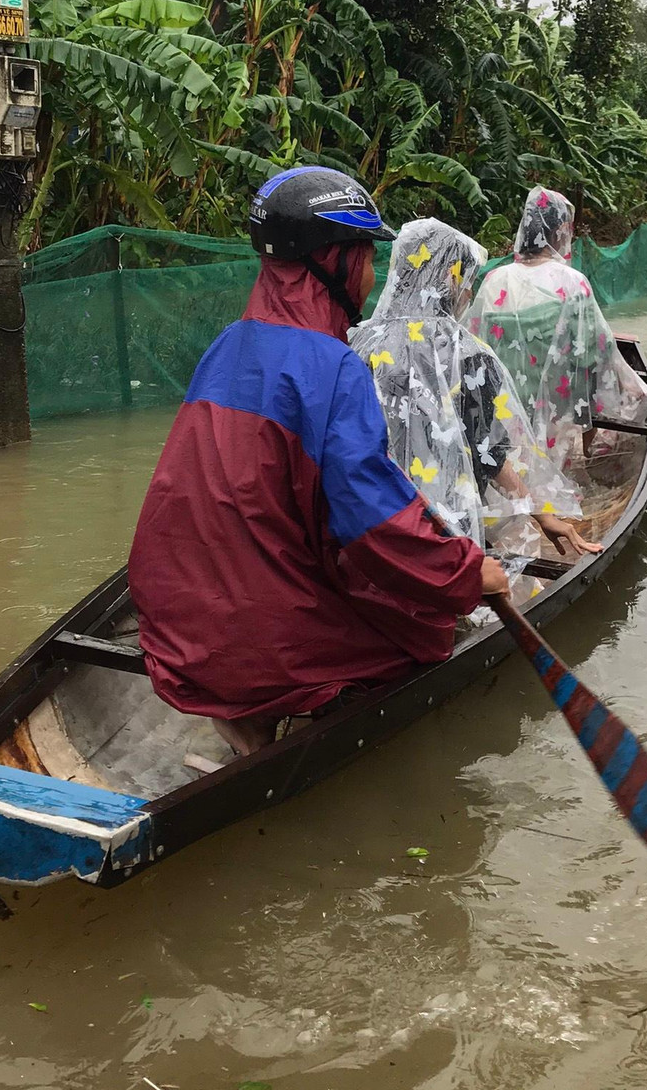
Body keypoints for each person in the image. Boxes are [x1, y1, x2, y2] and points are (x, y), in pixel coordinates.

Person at [128, 166, 509, 758]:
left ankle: (246, 721)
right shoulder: (333, 367)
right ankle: (294, 706)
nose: (372, 277)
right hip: (256, 638)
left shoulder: (226, 345)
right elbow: (376, 526)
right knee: (427, 631)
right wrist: (465, 574)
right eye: (366, 257)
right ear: (334, 261)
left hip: (172, 623)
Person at [350, 218, 598, 558]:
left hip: (365, 522)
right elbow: (488, 453)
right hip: (443, 532)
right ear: (450, 279)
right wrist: (543, 515)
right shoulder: (465, 353)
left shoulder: (358, 341)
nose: (469, 293)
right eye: (468, 282)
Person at [469, 186, 647, 483]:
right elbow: (599, 351)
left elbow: (474, 345)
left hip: (504, 404)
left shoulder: (494, 279)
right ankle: (587, 455)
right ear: (559, 233)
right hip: (555, 404)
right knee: (593, 374)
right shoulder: (572, 282)